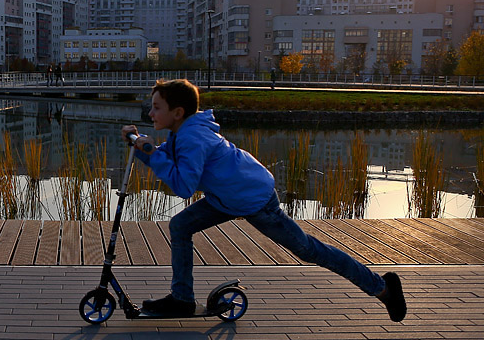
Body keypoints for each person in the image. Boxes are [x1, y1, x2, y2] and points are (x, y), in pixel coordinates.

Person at [122, 79, 407, 322]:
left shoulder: (193, 137)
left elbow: (183, 186)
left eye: (156, 107)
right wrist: (146, 149)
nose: (150, 112)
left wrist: (151, 153)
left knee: (307, 249)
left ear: (178, 112)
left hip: (255, 200)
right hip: (226, 198)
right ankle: (182, 299)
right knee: (180, 226)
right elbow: (175, 165)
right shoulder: (182, 132)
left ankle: (382, 288)